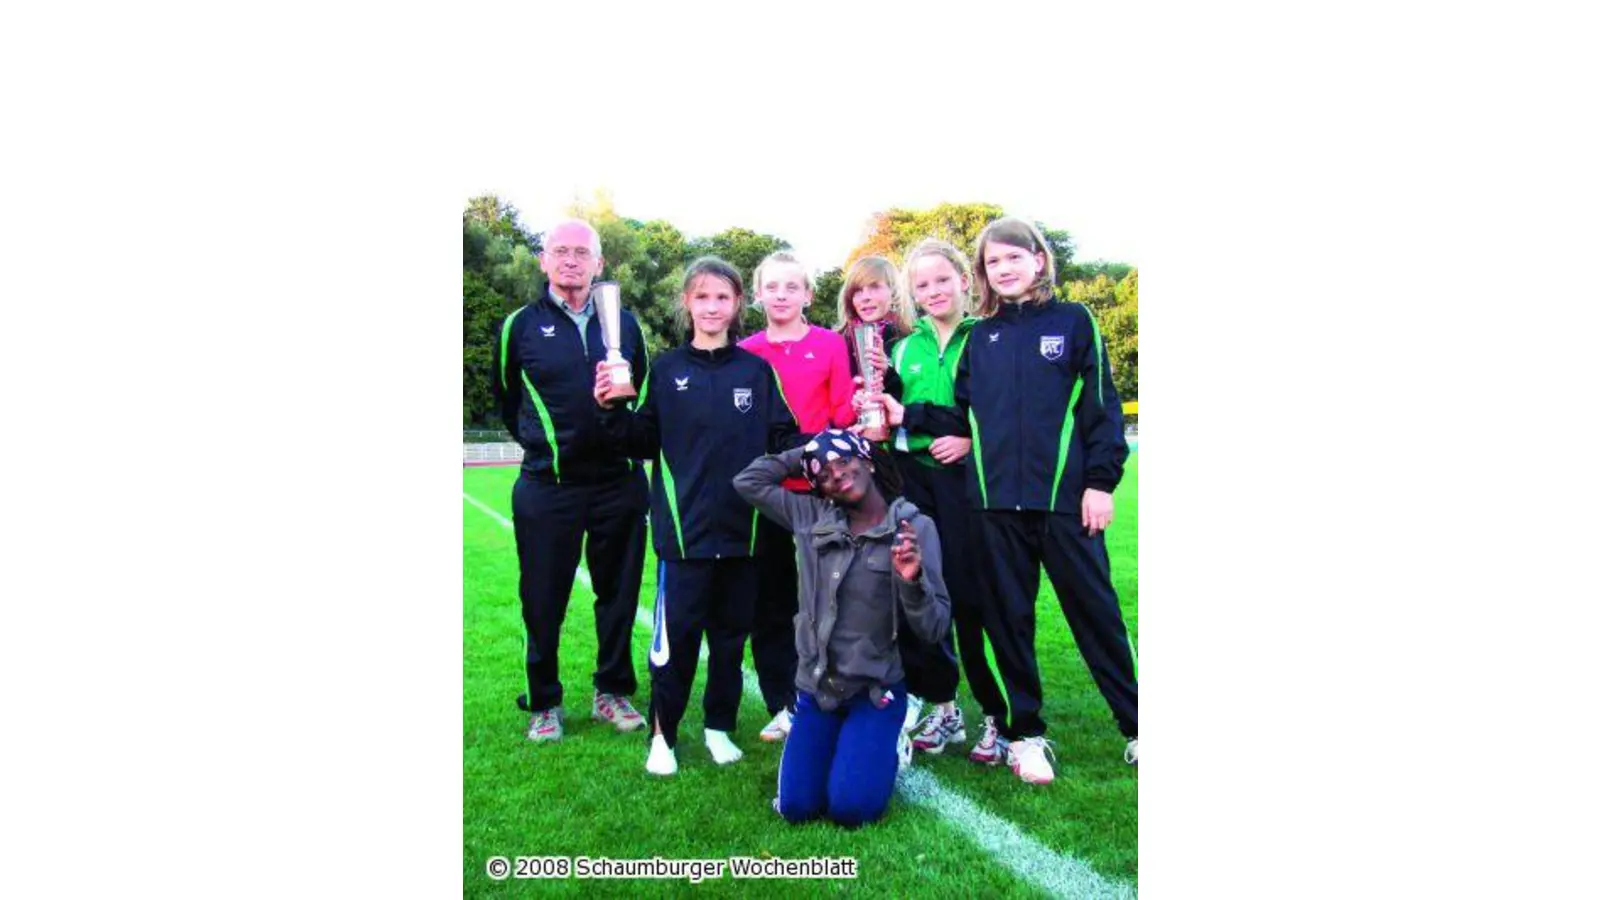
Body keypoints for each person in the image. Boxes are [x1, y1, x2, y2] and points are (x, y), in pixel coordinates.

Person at [872, 217, 1137, 784]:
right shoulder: (983, 337)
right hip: (993, 508)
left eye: (1014, 258)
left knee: (1097, 617)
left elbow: (1100, 408)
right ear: (986, 273)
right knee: (1008, 622)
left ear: (1039, 259)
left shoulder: (1074, 321)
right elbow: (959, 415)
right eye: (995, 262)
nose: (1006, 269)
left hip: (1065, 504)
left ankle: (1137, 727)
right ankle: (1026, 735)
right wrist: (905, 415)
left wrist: (1099, 483)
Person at [595, 257, 800, 775]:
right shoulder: (665, 370)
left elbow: (785, 439)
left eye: (723, 298)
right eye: (703, 296)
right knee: (675, 645)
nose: (712, 307)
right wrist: (611, 408)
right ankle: (663, 735)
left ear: (737, 306)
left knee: (730, 642)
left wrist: (832, 446)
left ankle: (718, 727)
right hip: (682, 538)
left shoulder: (755, 371)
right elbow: (638, 439)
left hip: (743, 534)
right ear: (687, 302)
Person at [734, 429, 950, 827]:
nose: (836, 474)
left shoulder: (912, 528)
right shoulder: (811, 517)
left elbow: (935, 627)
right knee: (797, 808)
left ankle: (888, 741)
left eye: (844, 461)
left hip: (875, 691)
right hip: (817, 690)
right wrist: (810, 451)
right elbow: (748, 481)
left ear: (867, 460)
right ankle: (839, 745)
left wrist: (911, 582)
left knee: (851, 810)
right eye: (824, 474)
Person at [491, 219, 650, 743]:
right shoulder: (520, 325)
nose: (570, 260)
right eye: (559, 251)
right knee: (542, 599)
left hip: (618, 485)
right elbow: (507, 398)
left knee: (619, 595)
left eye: (582, 252)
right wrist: (545, 450)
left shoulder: (624, 323)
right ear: (543, 261)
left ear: (599, 263)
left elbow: (640, 394)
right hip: (548, 487)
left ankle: (612, 691)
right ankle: (543, 701)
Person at [865, 238, 1009, 765]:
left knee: (974, 604)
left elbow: (994, 414)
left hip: (970, 488)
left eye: (942, 279)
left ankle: (997, 715)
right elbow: (894, 416)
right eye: (921, 284)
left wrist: (969, 437)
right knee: (922, 597)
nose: (933, 291)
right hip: (915, 484)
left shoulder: (988, 337)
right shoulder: (904, 348)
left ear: (965, 281)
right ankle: (945, 707)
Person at [737, 251, 857, 744]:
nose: (782, 295)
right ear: (759, 294)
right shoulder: (745, 351)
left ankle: (842, 688)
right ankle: (782, 701)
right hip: (768, 498)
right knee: (772, 601)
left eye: (792, 287)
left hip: (822, 494)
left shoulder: (830, 344)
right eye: (772, 287)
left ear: (808, 294)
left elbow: (842, 415)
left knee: (834, 597)